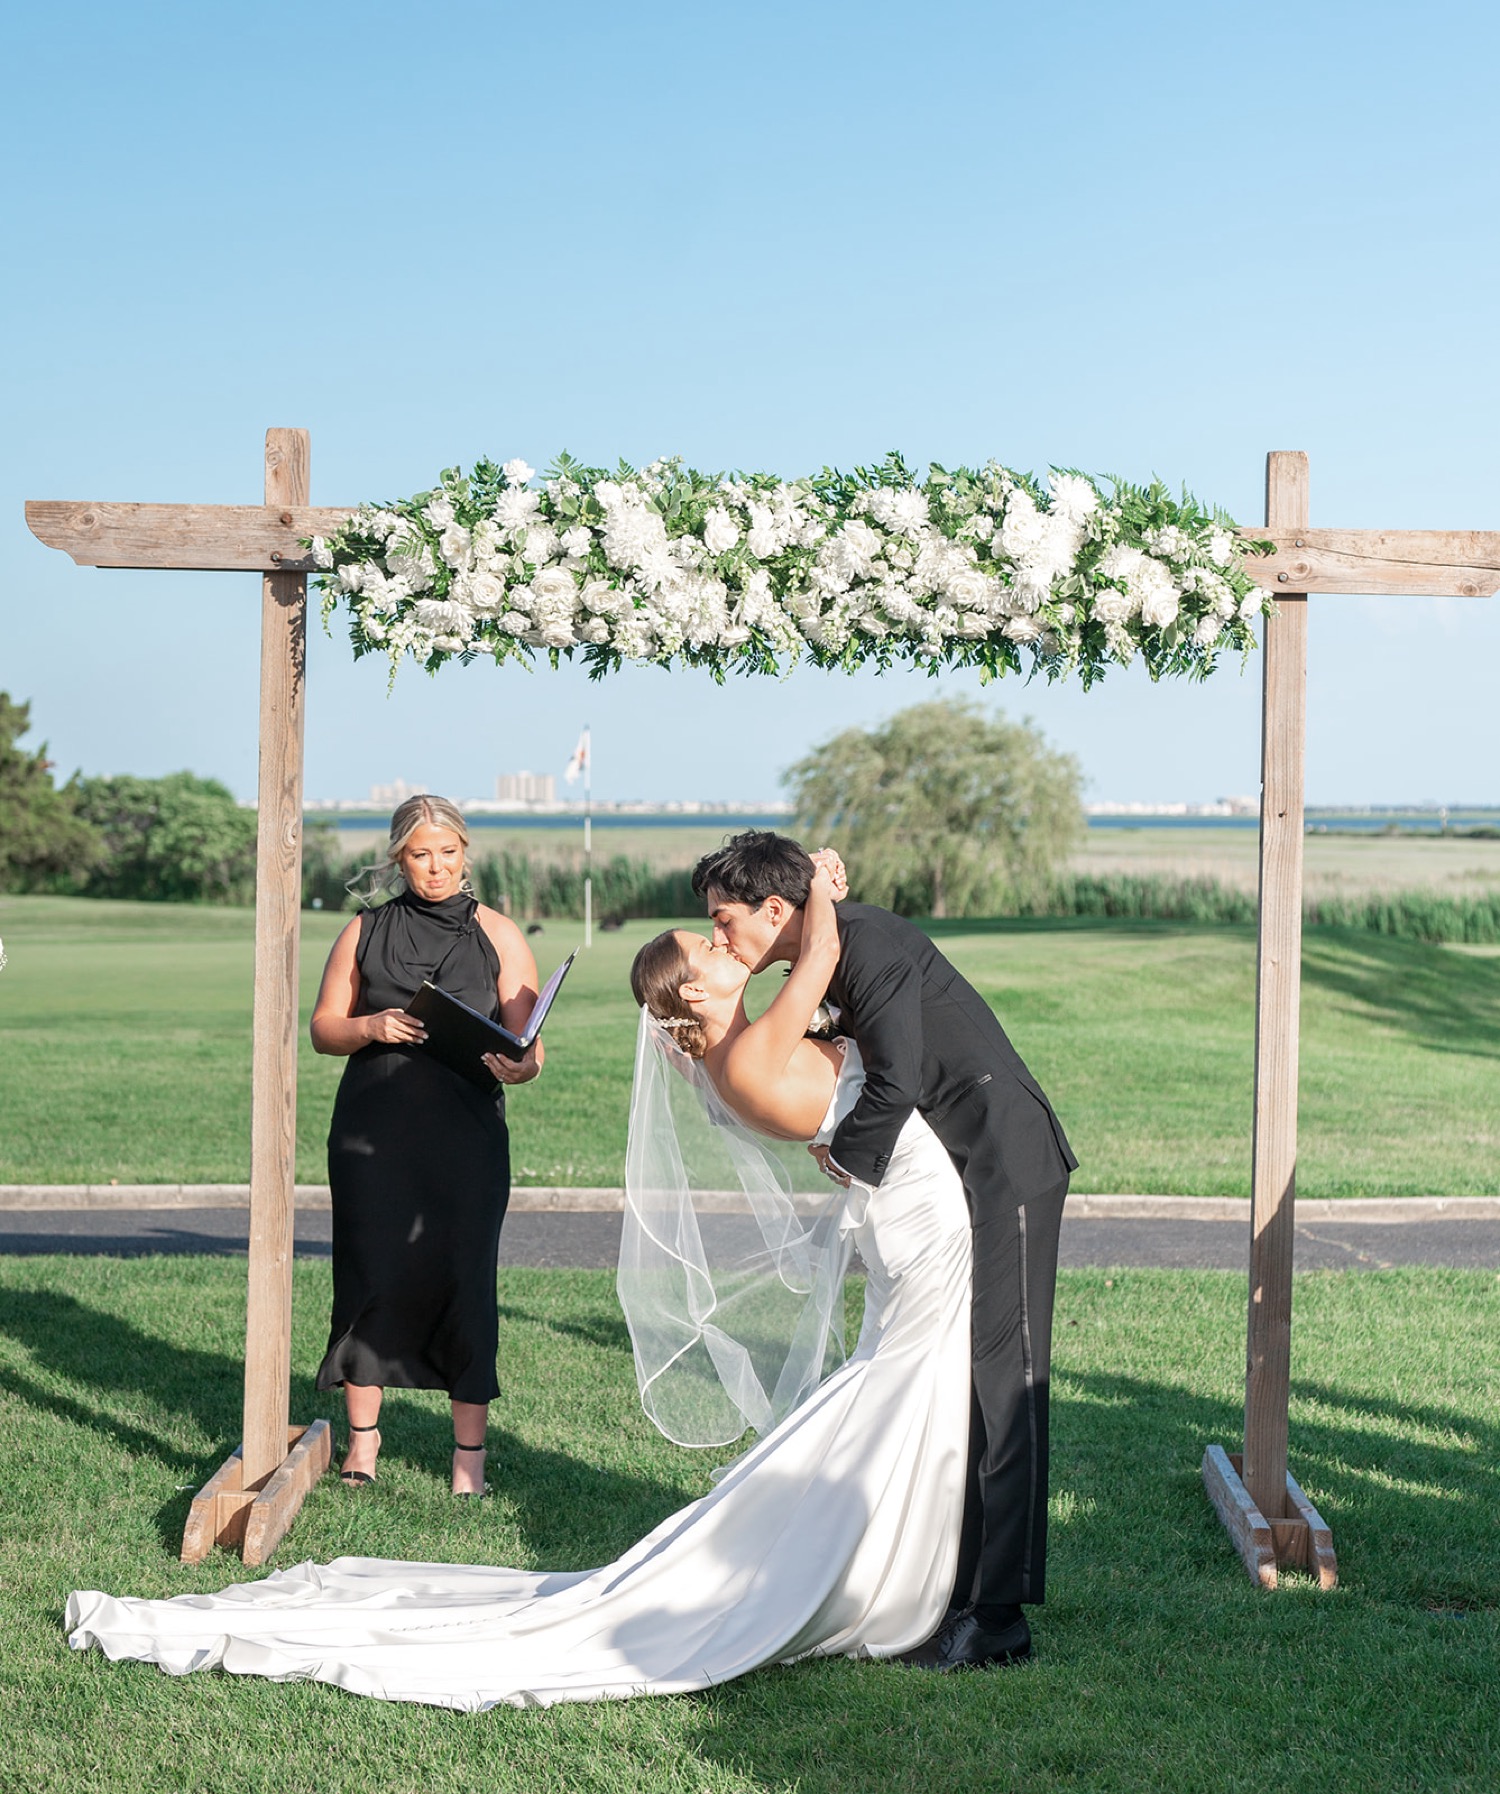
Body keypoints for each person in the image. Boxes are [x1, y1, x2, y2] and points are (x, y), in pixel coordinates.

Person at [66, 865, 978, 1708]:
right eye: (712, 946)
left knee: (900, 1379)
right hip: (919, 1218)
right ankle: (885, 1572)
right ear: (695, 995)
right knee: (904, 1379)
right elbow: (819, 952)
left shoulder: (731, 1051)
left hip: (903, 1213)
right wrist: (820, 880)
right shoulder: (743, 1054)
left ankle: (883, 1556)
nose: (727, 946)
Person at [693, 830, 1076, 1671]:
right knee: (968, 1377)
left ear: (773, 908)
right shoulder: (826, 950)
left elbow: (898, 1075)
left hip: (1004, 1155)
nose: (720, 940)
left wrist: (845, 1155)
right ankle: (957, 1591)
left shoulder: (864, 940)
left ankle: (1000, 1617)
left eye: (724, 922)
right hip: (963, 1163)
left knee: (1005, 1381)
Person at [309, 794, 542, 1498]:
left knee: (465, 1284)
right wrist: (370, 1028)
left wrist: (519, 1064)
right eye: (419, 854)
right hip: (370, 1133)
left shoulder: (499, 934)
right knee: (369, 1278)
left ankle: (468, 1459)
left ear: (465, 853)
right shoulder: (363, 931)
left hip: (465, 1140)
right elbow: (323, 1028)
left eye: (447, 853)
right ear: (398, 858)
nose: (435, 867)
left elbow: (530, 1051)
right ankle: (362, 1449)